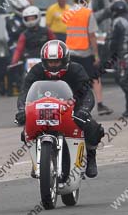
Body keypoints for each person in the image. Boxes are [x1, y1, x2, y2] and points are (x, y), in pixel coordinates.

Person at [15, 40, 105, 178]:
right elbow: (24, 92)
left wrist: (84, 110)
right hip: (44, 110)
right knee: (25, 131)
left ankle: (91, 156)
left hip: (74, 109)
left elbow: (87, 93)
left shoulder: (76, 70)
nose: (53, 65)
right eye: (50, 62)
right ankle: (37, 161)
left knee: (93, 128)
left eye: (57, 62)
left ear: (65, 60)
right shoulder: (36, 70)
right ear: (44, 61)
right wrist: (22, 110)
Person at [64, 0, 113, 116]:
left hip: (70, 52)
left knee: (72, 79)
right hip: (85, 52)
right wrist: (96, 55)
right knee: (95, 78)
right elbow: (92, 36)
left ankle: (71, 106)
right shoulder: (87, 13)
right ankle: (100, 105)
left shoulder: (68, 13)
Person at [108, 0, 128, 117]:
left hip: (124, 54)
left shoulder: (117, 21)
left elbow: (113, 40)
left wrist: (110, 55)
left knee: (124, 80)